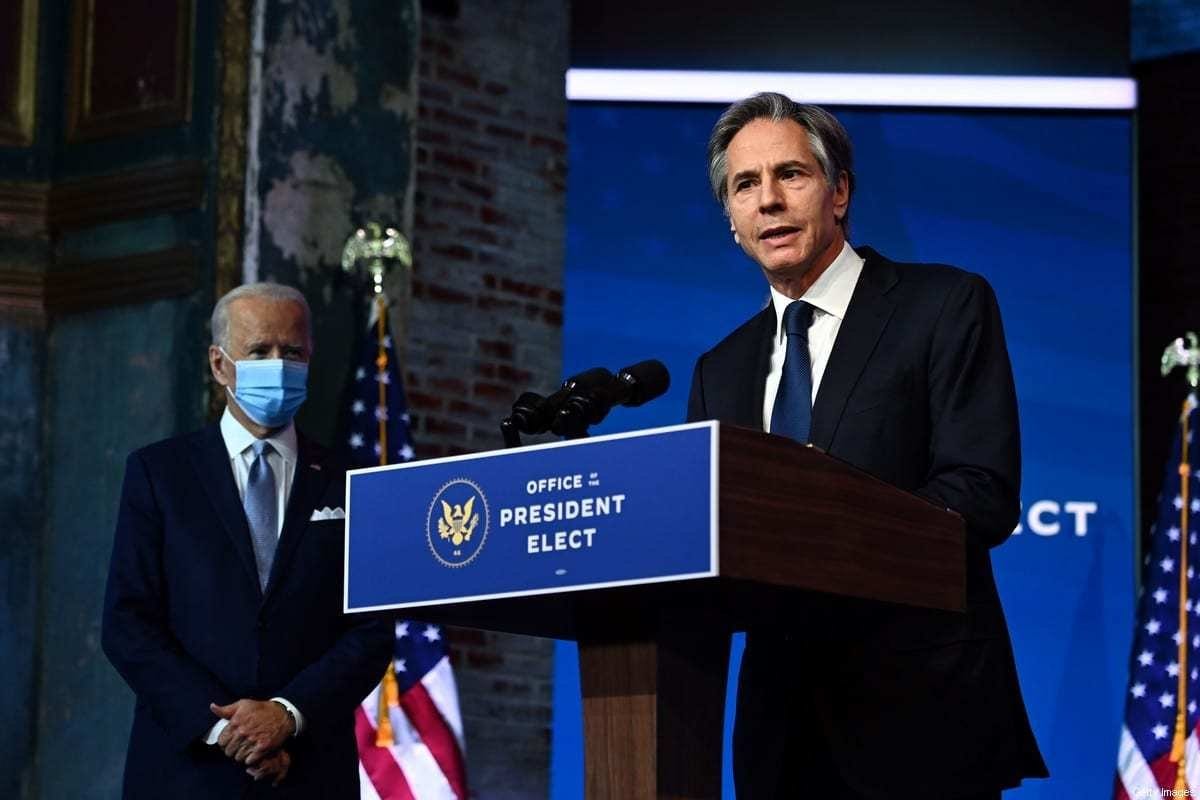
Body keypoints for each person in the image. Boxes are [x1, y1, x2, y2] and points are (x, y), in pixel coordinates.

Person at [687, 93, 1048, 798]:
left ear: (840, 191)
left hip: (922, 710)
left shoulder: (942, 306)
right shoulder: (718, 370)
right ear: (731, 219)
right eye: (745, 185)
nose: (768, 200)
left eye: (790, 174)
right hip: (782, 733)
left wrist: (829, 521)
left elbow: (981, 492)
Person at [102, 282, 393, 797]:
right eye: (259, 351)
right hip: (184, 772)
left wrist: (287, 714)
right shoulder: (159, 473)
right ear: (220, 365)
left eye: (293, 352)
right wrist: (226, 732)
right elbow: (128, 623)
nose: (278, 366)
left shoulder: (354, 481)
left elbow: (372, 630)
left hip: (310, 772)